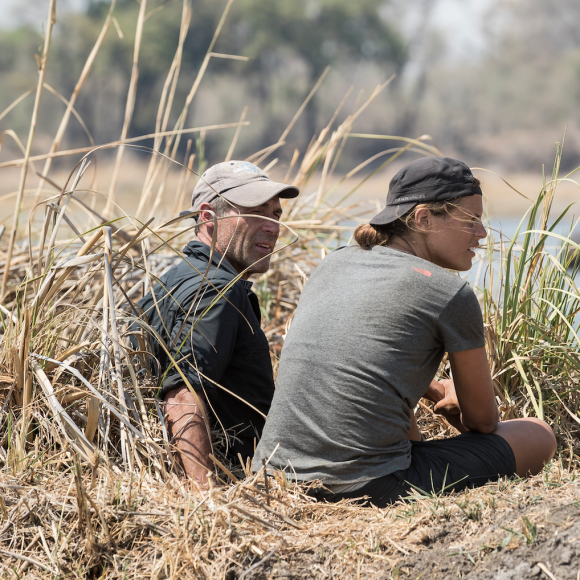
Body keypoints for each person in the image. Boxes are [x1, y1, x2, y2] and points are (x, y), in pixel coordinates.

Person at [253, 156, 556, 507]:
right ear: (423, 218)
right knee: (539, 434)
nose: (482, 233)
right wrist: (459, 399)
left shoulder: (333, 263)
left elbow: (362, 361)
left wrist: (435, 389)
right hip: (364, 487)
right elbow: (484, 422)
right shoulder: (449, 293)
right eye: (471, 220)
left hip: (274, 479)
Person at [135, 160, 299, 487]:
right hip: (243, 478)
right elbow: (182, 395)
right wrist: (206, 499)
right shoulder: (216, 292)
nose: (273, 227)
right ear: (209, 216)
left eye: (276, 214)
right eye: (256, 212)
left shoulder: (172, 280)